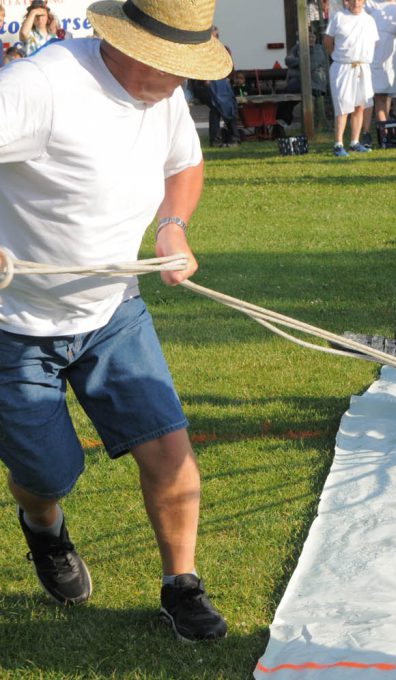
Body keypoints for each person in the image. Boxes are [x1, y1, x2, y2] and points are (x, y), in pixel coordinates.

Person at [0, 0, 231, 642]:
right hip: (14, 323)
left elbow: (184, 164)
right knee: (47, 474)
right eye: (171, 64)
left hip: (112, 308)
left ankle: (180, 586)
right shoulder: (39, 86)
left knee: (169, 449)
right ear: (127, 44)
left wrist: (172, 225)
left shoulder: (166, 94)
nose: (179, 79)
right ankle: (44, 527)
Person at [325, 0, 379, 156]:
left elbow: (374, 43)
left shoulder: (369, 20)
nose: (356, 2)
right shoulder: (339, 17)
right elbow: (328, 41)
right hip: (343, 66)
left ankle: (355, 141)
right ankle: (338, 143)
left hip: (363, 66)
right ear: (346, 2)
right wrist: (338, 56)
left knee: (360, 105)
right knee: (343, 105)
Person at [366, 0, 396, 142]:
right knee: (378, 95)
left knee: (387, 95)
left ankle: (384, 130)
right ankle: (377, 132)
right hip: (375, 50)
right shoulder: (370, 3)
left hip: (392, 52)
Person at [206, 26, 240, 148]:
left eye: (217, 36)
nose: (216, 39)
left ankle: (232, 136)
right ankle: (219, 138)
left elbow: (230, 68)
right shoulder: (203, 51)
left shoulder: (224, 49)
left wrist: (229, 79)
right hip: (210, 84)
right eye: (214, 36)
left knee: (228, 106)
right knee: (216, 107)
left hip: (223, 83)